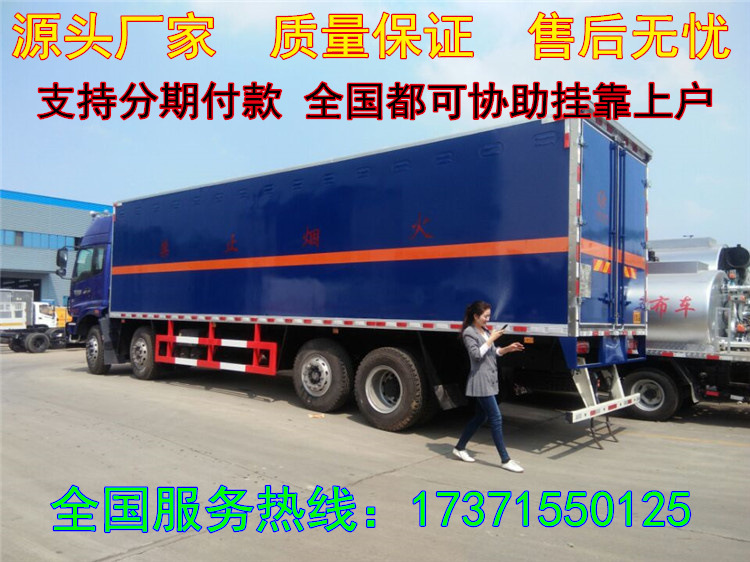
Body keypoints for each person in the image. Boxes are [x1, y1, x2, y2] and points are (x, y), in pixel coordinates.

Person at [453, 300, 525, 472]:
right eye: (485, 316)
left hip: (490, 379)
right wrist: (492, 338)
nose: (488, 319)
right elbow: (476, 355)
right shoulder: (469, 333)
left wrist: (508, 348)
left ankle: (460, 448)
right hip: (480, 381)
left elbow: (493, 352)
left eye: (489, 316)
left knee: (480, 417)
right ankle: (505, 459)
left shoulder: (484, 330)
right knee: (496, 417)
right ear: (475, 316)